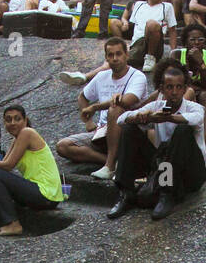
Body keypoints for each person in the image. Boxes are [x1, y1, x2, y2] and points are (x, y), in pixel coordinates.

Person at [108, 60, 206, 223]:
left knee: (183, 129)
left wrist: (168, 118)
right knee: (129, 128)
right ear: (162, 89)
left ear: (184, 89)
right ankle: (126, 193)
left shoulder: (193, 107)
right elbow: (120, 120)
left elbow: (196, 119)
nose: (174, 92)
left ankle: (166, 194)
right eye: (169, 87)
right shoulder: (156, 106)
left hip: (189, 172)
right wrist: (141, 117)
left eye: (178, 87)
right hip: (163, 166)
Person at [0, 104, 65, 237]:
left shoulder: (27, 132)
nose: (12, 123)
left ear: (25, 121)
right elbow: (2, 164)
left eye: (17, 119)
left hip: (47, 194)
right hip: (36, 192)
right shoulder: (17, 139)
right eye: (8, 120)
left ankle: (13, 224)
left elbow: (8, 165)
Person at [56, 37, 148, 182]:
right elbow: (82, 96)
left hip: (128, 132)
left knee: (115, 109)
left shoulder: (137, 76)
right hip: (102, 133)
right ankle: (112, 161)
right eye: (110, 55)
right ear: (106, 58)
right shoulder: (101, 76)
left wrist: (94, 107)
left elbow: (126, 101)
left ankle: (110, 166)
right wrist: (88, 123)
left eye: (118, 54)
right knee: (63, 146)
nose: (115, 58)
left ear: (126, 55)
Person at [110, 0, 177, 73]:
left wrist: (173, 54)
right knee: (113, 62)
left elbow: (172, 30)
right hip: (137, 45)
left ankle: (150, 58)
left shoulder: (167, 6)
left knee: (151, 24)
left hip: (155, 46)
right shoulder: (138, 4)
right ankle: (86, 76)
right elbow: (135, 27)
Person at [172, 23, 206, 154]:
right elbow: (177, 81)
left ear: (205, 42)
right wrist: (187, 64)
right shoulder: (176, 54)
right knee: (189, 92)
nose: (196, 43)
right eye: (192, 40)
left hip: (204, 97)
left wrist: (201, 64)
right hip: (183, 94)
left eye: (200, 40)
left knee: (205, 95)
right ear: (185, 42)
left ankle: (202, 146)